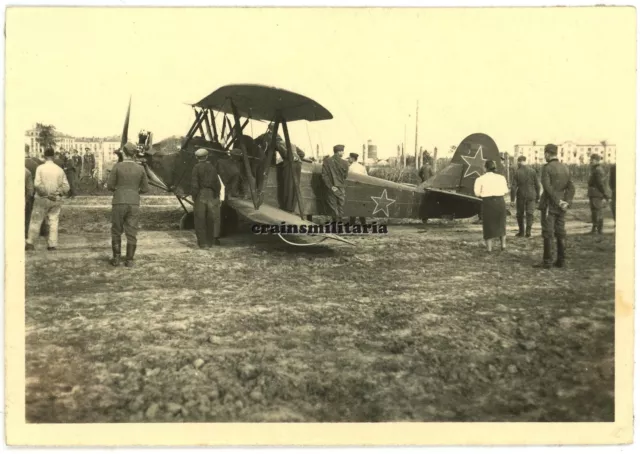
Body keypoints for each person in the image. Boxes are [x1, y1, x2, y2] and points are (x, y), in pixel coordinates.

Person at [107, 143, 150, 266]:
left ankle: (116, 258)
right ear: (134, 154)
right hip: (134, 202)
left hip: (119, 201)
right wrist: (135, 192)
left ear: (124, 153)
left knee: (116, 230)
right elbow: (145, 188)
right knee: (132, 231)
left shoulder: (117, 167)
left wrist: (118, 190)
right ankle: (130, 260)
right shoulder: (140, 168)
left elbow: (110, 186)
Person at [535, 144, 575, 268]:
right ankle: (561, 260)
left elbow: (547, 188)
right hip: (562, 206)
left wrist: (557, 201)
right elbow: (571, 187)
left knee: (548, 232)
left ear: (547, 153)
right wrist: (566, 201)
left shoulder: (546, 168)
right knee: (560, 232)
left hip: (550, 205)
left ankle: (547, 261)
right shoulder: (565, 167)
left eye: (545, 154)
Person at [25, 148, 70, 251]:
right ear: (53, 156)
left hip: (42, 198)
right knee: (54, 220)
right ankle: (52, 244)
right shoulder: (60, 170)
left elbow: (37, 184)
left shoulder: (40, 168)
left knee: (36, 220)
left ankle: (30, 243)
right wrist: (57, 193)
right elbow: (66, 187)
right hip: (56, 199)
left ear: (44, 156)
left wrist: (46, 194)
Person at [473, 160, 509, 252]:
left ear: (485, 168)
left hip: (488, 203)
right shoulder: (501, 178)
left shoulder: (480, 179)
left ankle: (489, 248)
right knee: (501, 223)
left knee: (488, 225)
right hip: (500, 202)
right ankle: (503, 245)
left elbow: (477, 193)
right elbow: (505, 191)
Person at [191, 148, 222, 248]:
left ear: (197, 157)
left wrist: (194, 196)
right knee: (210, 219)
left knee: (200, 219)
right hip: (211, 194)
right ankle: (210, 242)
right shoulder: (212, 167)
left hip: (201, 194)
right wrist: (216, 194)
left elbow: (194, 184)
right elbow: (217, 183)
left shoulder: (196, 167)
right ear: (207, 156)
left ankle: (203, 244)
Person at [510, 155, 540, 237]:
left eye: (517, 162)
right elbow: (538, 185)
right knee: (530, 214)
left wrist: (512, 200)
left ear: (519, 162)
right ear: (525, 161)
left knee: (520, 214)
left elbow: (513, 188)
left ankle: (521, 232)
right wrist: (538, 197)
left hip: (521, 196)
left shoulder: (517, 172)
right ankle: (528, 232)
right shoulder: (533, 171)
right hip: (531, 195)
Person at [322, 145, 349, 222]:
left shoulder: (327, 161)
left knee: (333, 207)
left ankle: (335, 225)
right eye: (342, 151)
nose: (343, 153)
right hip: (340, 188)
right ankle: (339, 225)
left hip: (331, 188)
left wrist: (331, 186)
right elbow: (345, 176)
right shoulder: (345, 163)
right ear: (339, 151)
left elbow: (324, 176)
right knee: (340, 207)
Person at [587, 154, 610, 234]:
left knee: (597, 212)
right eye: (591, 159)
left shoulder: (597, 170)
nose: (590, 161)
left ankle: (598, 230)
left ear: (596, 160)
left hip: (596, 194)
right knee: (595, 211)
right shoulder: (595, 169)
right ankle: (595, 229)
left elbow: (600, 184)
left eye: (592, 159)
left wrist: (605, 194)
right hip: (594, 193)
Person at [347, 152, 367, 226]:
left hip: (354, 189)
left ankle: (352, 224)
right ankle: (363, 223)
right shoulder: (362, 167)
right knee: (361, 207)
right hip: (361, 189)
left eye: (349, 158)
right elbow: (367, 178)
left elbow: (349, 179)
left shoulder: (351, 167)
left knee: (353, 206)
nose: (349, 159)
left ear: (352, 158)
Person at [25, 167, 34, 239]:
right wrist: (27, 200)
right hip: (23, 198)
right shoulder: (27, 171)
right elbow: (30, 190)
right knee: (26, 217)